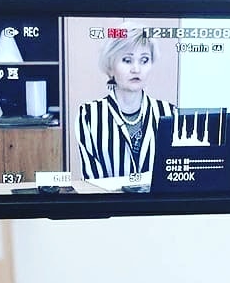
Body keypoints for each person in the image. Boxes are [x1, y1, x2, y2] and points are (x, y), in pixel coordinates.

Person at [75, 24, 175, 179]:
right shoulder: (89, 115)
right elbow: (92, 180)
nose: (136, 69)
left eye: (144, 60)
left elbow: (174, 176)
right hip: (105, 196)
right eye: (127, 60)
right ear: (110, 67)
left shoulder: (169, 113)